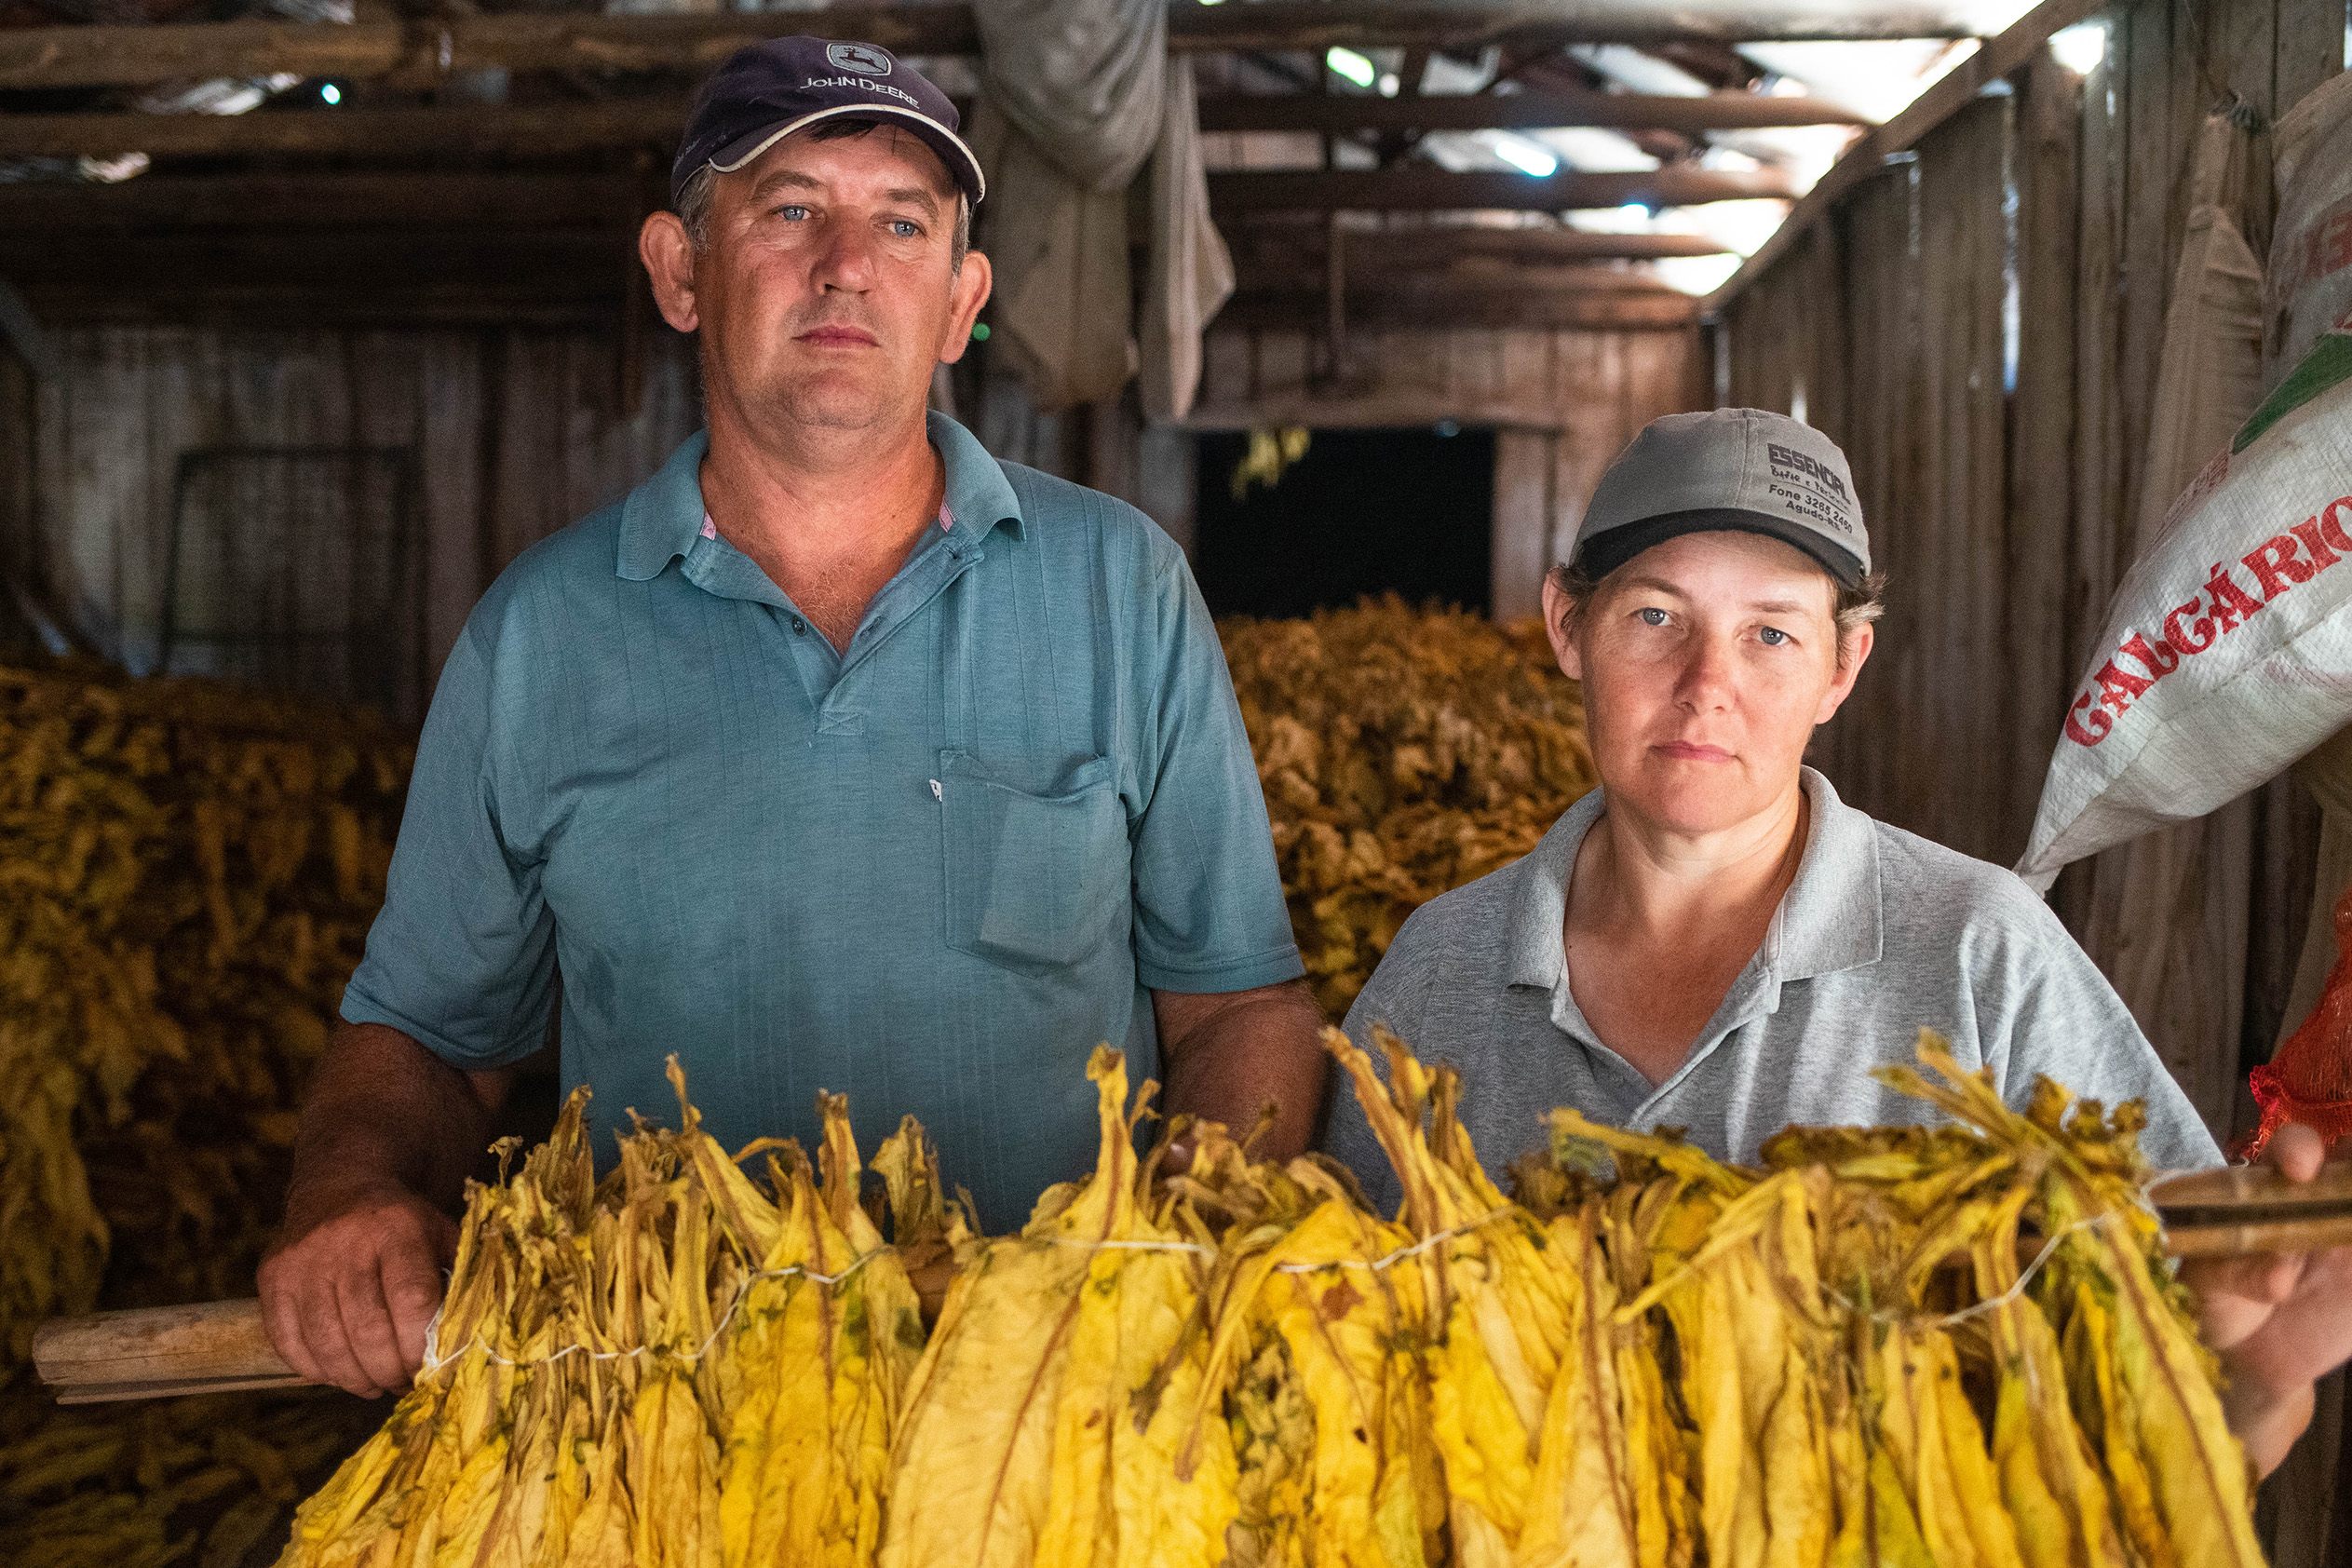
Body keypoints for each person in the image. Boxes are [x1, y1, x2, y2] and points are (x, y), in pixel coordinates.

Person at [260, 35, 1325, 1400]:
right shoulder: (542, 634)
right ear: (679, 270)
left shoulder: (1119, 587)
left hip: (1045, 1405)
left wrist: (1192, 1245)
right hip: (661, 1416)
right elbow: (428, 1042)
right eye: (787, 209)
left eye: (900, 222)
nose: (846, 263)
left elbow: (1238, 1006)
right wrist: (350, 1190)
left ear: (960, 301)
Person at [1321, 407, 2352, 1477]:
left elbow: (2179, 1418)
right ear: (1568, 627)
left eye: (1772, 633)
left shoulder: (1977, 952)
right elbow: (1330, 1358)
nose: (1708, 683)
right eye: (1655, 617)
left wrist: (2253, 1369)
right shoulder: (1439, 971)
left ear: (1842, 665)